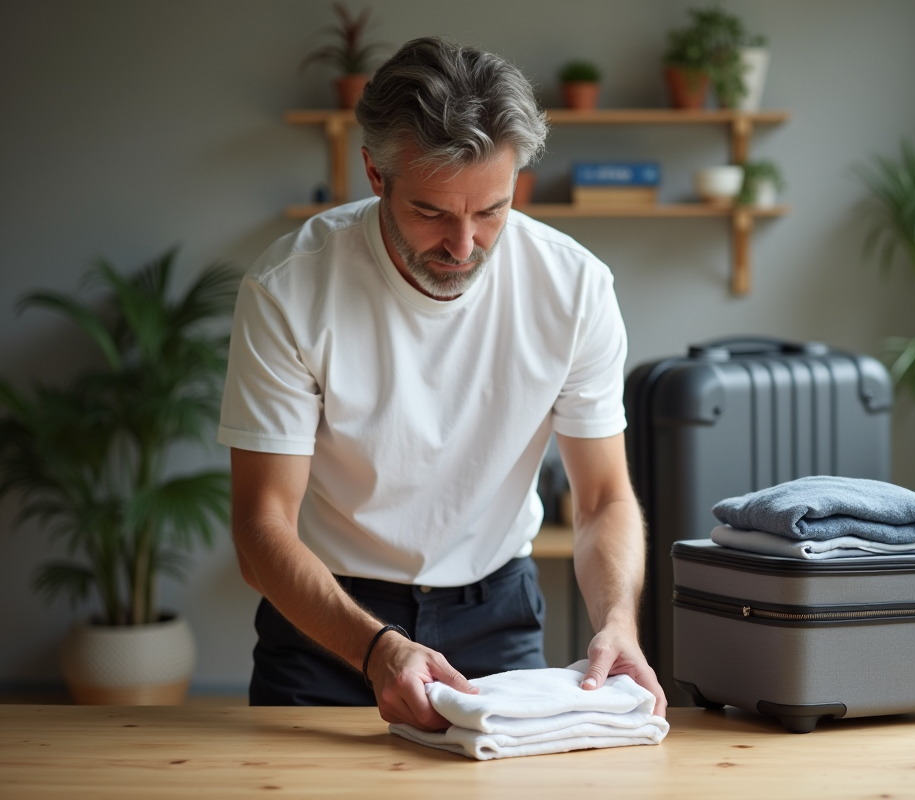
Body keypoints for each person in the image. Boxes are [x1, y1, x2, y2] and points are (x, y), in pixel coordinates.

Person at [218, 37, 666, 732]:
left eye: (492, 210)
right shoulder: (289, 289)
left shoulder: (575, 288)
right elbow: (260, 526)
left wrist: (619, 624)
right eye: (432, 212)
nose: (464, 247)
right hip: (328, 619)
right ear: (375, 173)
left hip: (497, 612)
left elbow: (603, 496)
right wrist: (374, 650)